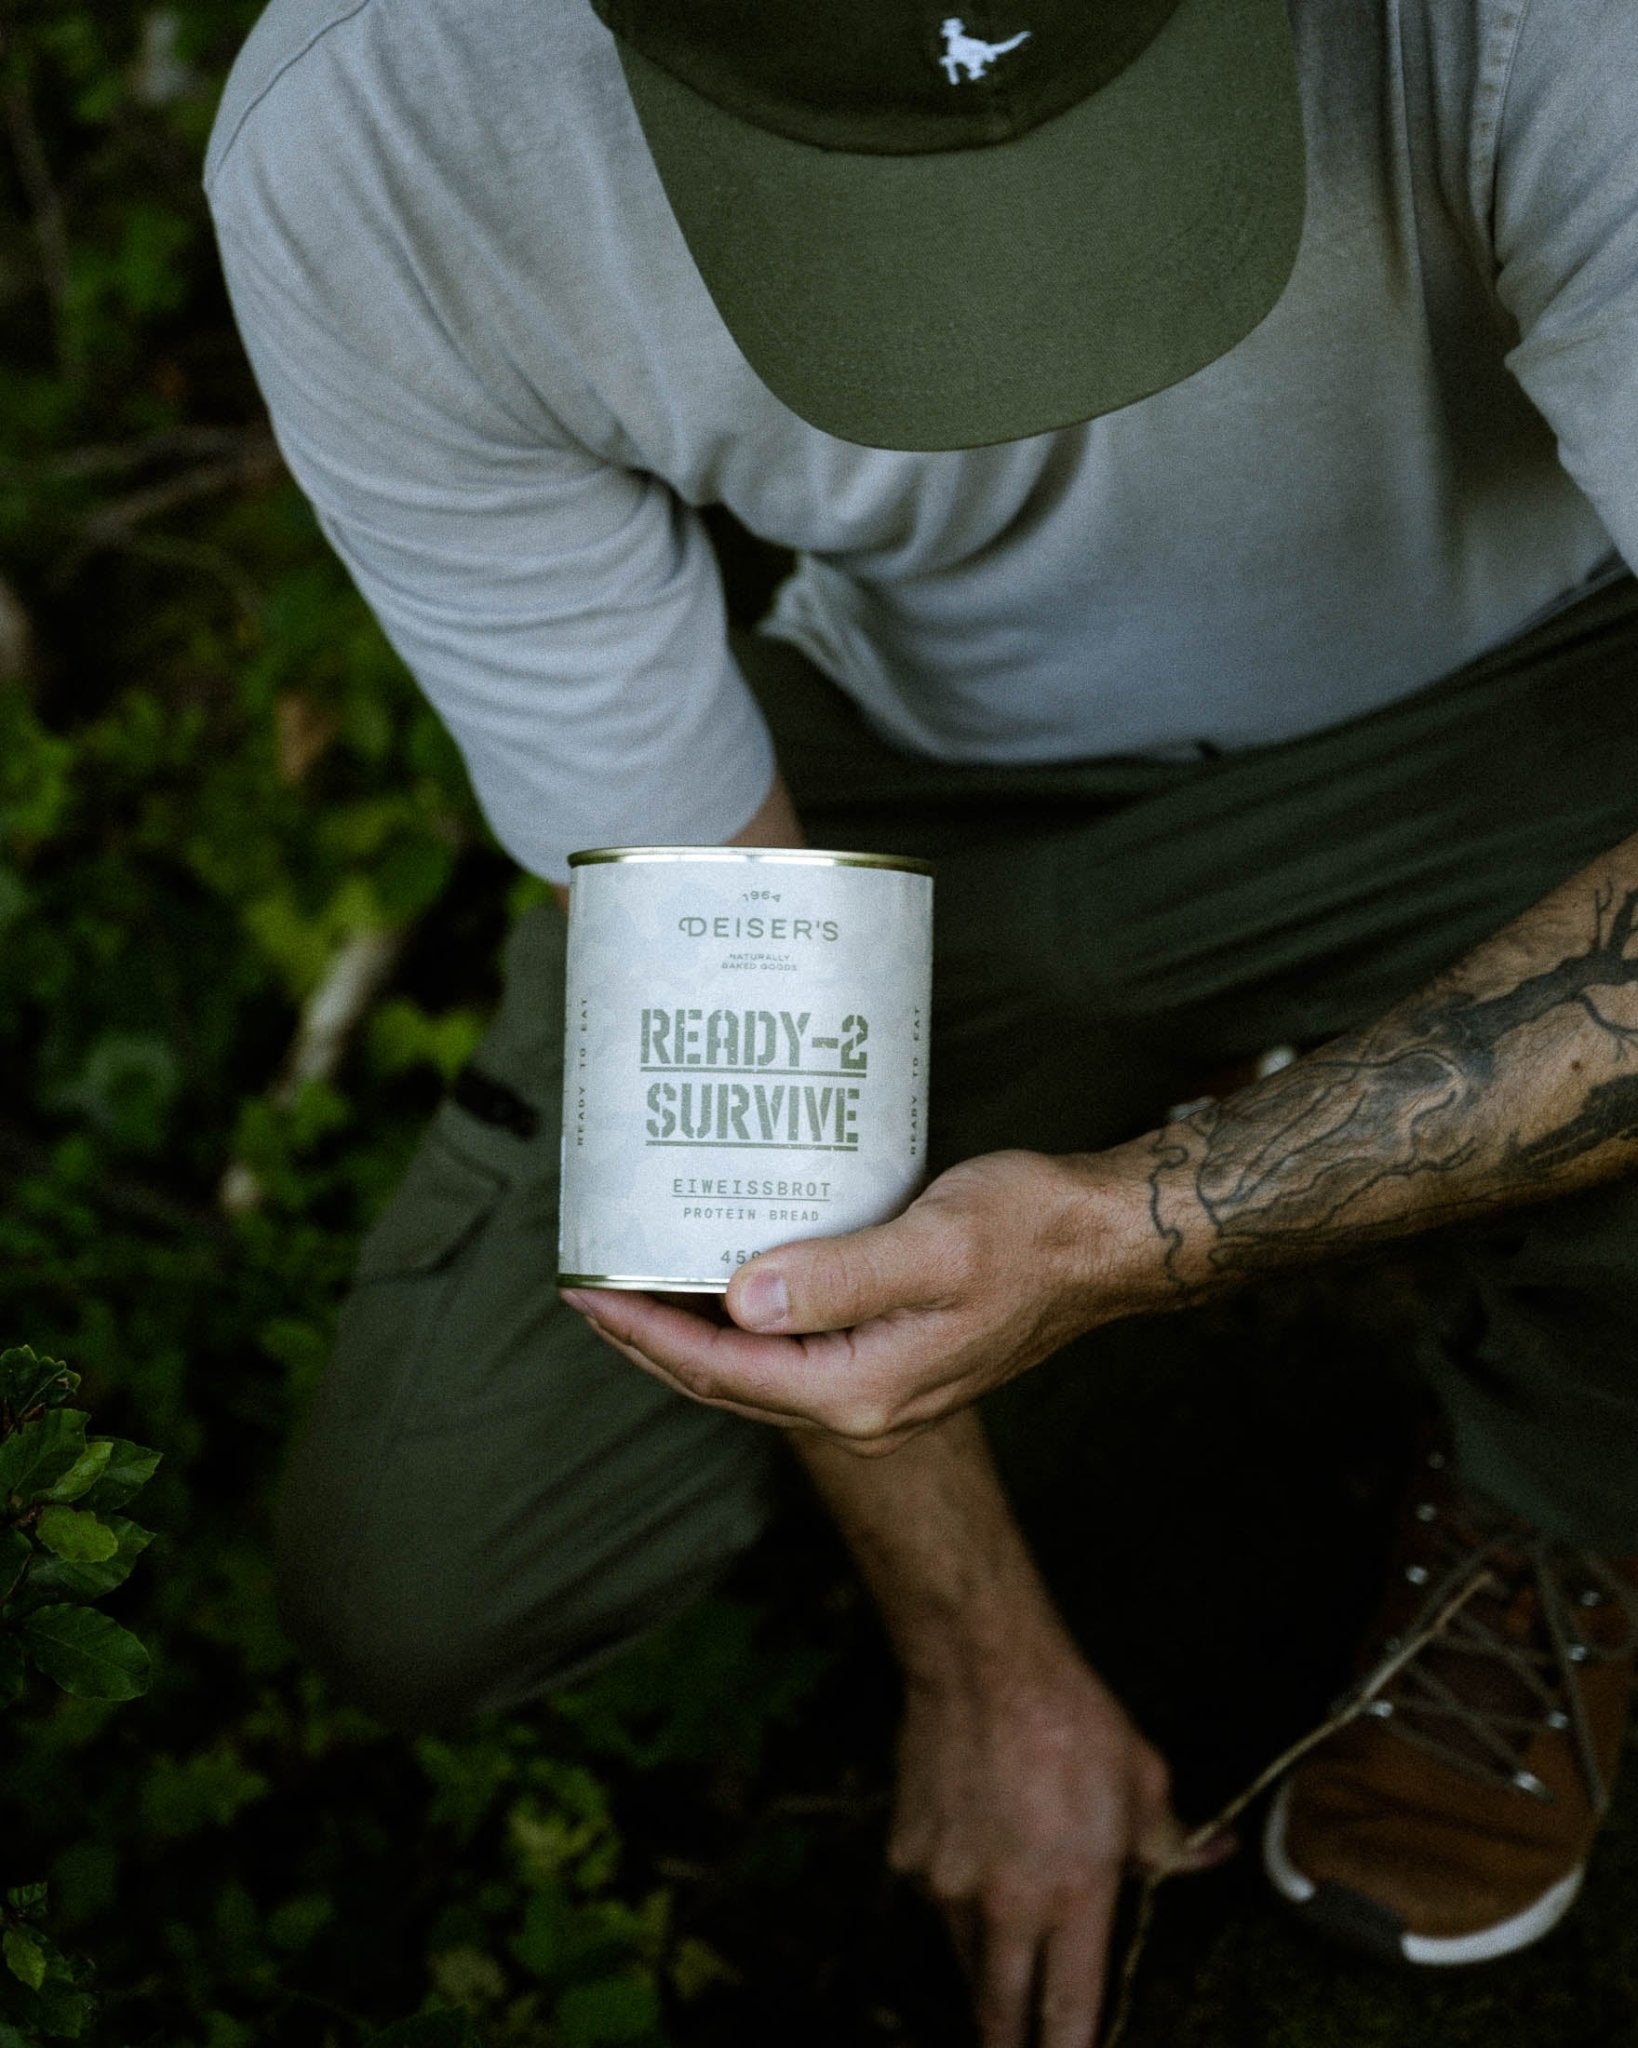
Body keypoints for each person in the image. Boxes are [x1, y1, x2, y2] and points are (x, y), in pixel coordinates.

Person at [206, 0, 1638, 2038]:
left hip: (1553, 710)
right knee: (430, 1566)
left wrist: (1153, 1222)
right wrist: (983, 1653)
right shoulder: (382, 129)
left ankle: (1565, 1486)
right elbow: (712, 907)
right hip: (937, 776)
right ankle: (1068, 1320)